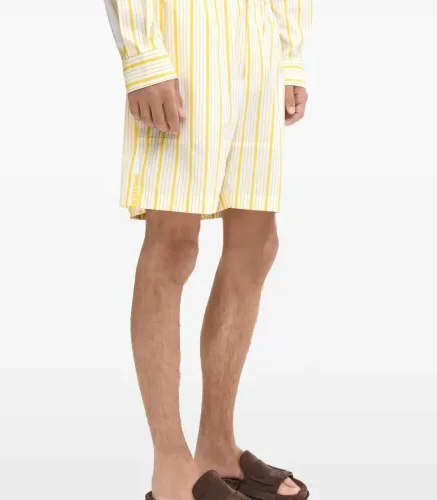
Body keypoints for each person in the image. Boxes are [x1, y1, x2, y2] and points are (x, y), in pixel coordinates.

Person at [103, 0, 312, 498]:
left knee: (257, 241)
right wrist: (143, 54)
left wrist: (289, 54)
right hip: (181, 31)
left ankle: (217, 444)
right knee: (174, 242)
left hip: (257, 33)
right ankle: (171, 466)